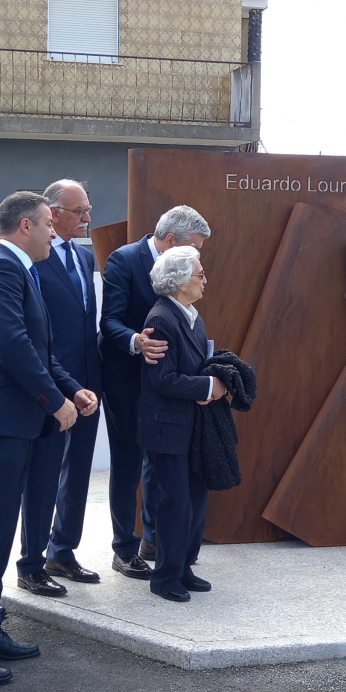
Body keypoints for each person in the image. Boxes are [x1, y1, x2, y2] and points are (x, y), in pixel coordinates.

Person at [0, 192, 98, 685]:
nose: (56, 232)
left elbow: (37, 347)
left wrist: (72, 388)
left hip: (6, 424)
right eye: (50, 223)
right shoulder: (2, 270)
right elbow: (11, 346)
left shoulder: (18, 270)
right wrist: (56, 403)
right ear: (26, 225)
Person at [97, 205, 206, 577]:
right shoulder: (124, 260)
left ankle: (155, 539)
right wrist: (135, 342)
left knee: (158, 465)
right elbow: (108, 320)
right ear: (172, 240)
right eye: (195, 247)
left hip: (163, 386)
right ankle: (124, 548)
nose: (199, 258)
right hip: (127, 380)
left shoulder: (186, 270)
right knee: (128, 464)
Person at [16, 179, 104, 596]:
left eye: (88, 209)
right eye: (79, 211)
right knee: (44, 474)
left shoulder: (84, 258)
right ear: (52, 214)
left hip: (86, 382)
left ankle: (62, 549)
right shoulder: (34, 258)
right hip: (49, 385)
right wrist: (53, 387)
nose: (88, 218)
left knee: (79, 472)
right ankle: (31, 561)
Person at [137, 245, 224, 603]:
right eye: (199, 274)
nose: (205, 279)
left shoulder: (191, 314)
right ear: (178, 282)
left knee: (195, 498)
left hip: (192, 426)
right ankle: (165, 576)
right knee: (175, 502)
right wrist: (208, 386)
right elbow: (163, 380)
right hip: (166, 427)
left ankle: (184, 566)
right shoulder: (160, 319)